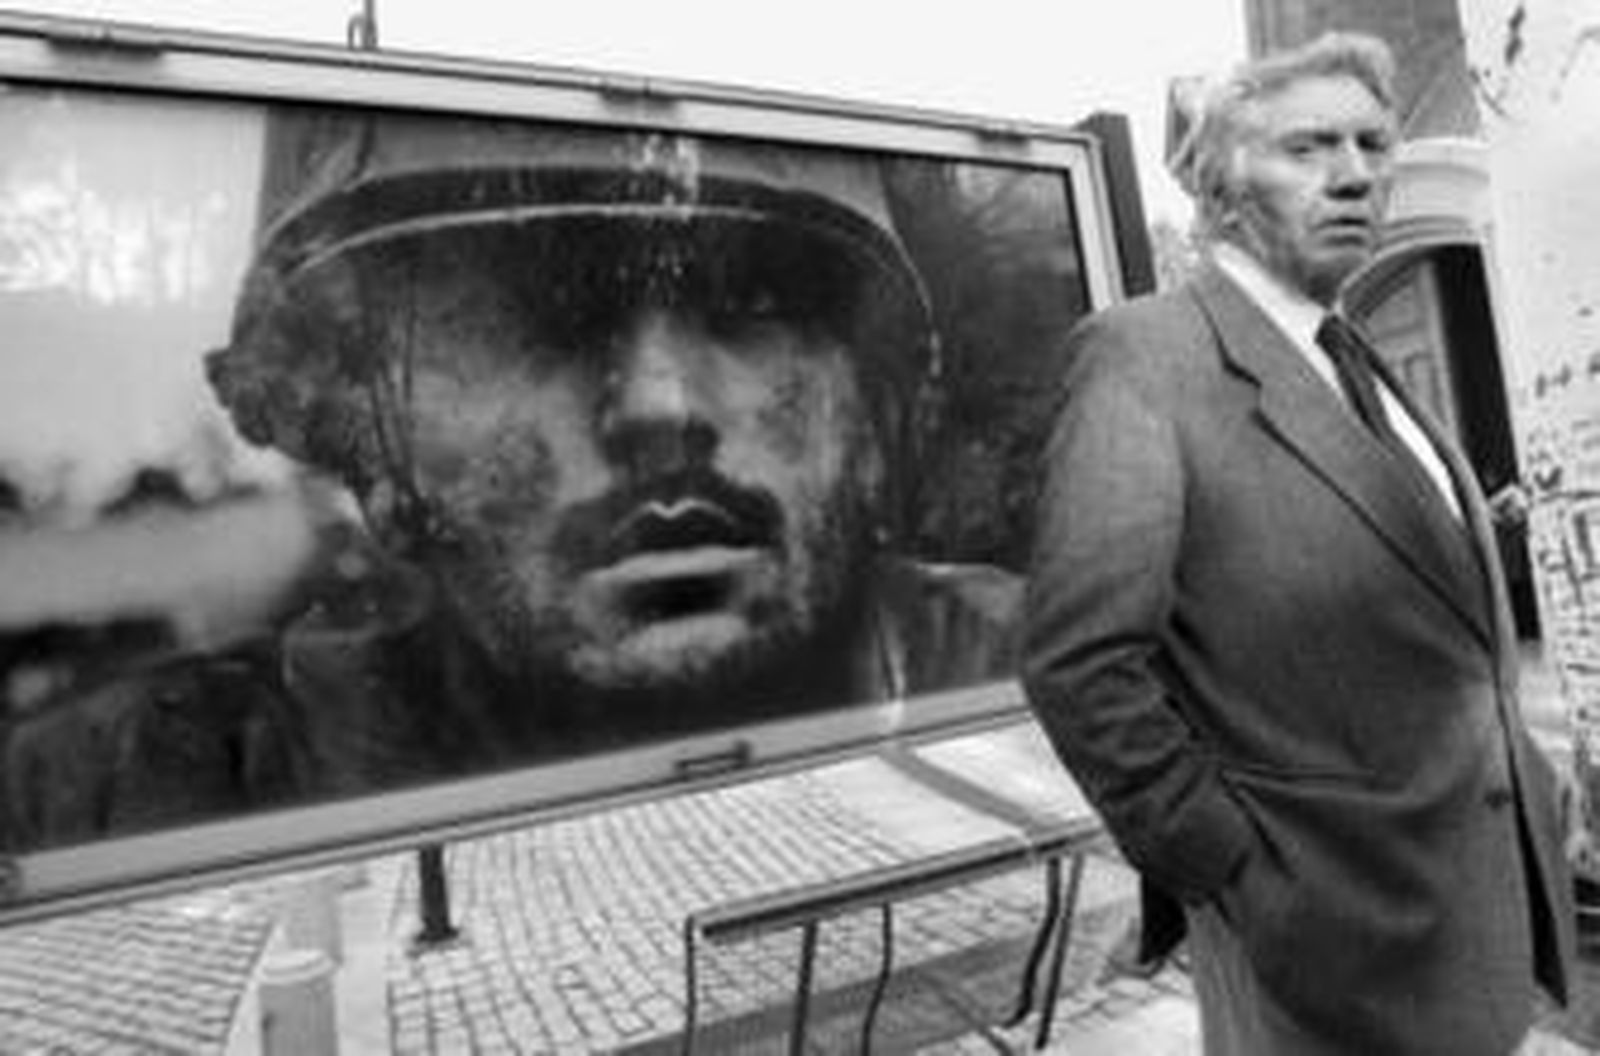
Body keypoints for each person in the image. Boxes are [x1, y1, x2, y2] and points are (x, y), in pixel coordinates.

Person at [3, 112, 1022, 846]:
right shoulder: (104, 793)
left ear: (879, 413)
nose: (662, 409)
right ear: (366, 432)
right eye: (542, 318)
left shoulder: (1025, 658)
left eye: (755, 299)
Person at [1020, 32, 1574, 1055]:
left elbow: (1433, 620)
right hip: (1324, 944)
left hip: (1470, 912)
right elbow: (1079, 663)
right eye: (1310, 147)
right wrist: (1232, 868)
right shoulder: (1146, 357)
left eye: (1373, 143)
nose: (1358, 174)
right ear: (1224, 185)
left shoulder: (1349, 348)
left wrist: (1531, 771)